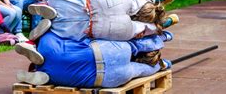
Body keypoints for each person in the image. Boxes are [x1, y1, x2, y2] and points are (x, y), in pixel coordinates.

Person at [16, 31, 171, 87]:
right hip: (105, 78)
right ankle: (42, 69)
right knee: (139, 70)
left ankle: (38, 51)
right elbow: (148, 69)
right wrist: (164, 64)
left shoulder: (122, 47)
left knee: (135, 45)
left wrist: (163, 37)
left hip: (101, 53)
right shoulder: (126, 71)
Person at [27, 0, 177, 42]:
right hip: (86, 27)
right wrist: (168, 22)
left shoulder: (127, 2)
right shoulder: (129, 30)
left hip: (82, 5)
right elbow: (148, 29)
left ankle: (48, 5)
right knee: (65, 31)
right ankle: (50, 26)